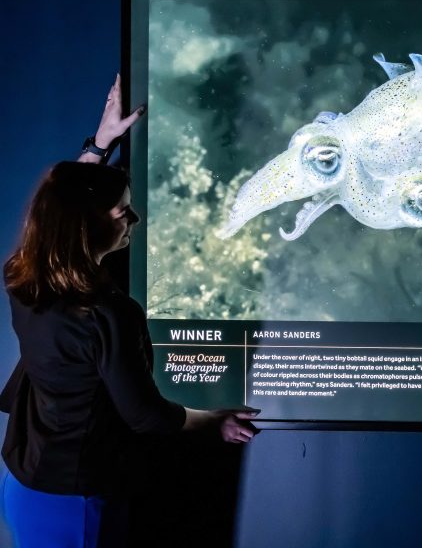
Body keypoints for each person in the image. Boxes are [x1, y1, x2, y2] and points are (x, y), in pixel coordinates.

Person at [0, 74, 259, 548]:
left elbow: (60, 206)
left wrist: (99, 146)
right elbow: (148, 418)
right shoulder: (107, 315)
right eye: (123, 212)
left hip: (25, 480)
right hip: (77, 503)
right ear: (86, 226)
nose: (133, 220)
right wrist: (214, 419)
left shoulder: (22, 276)